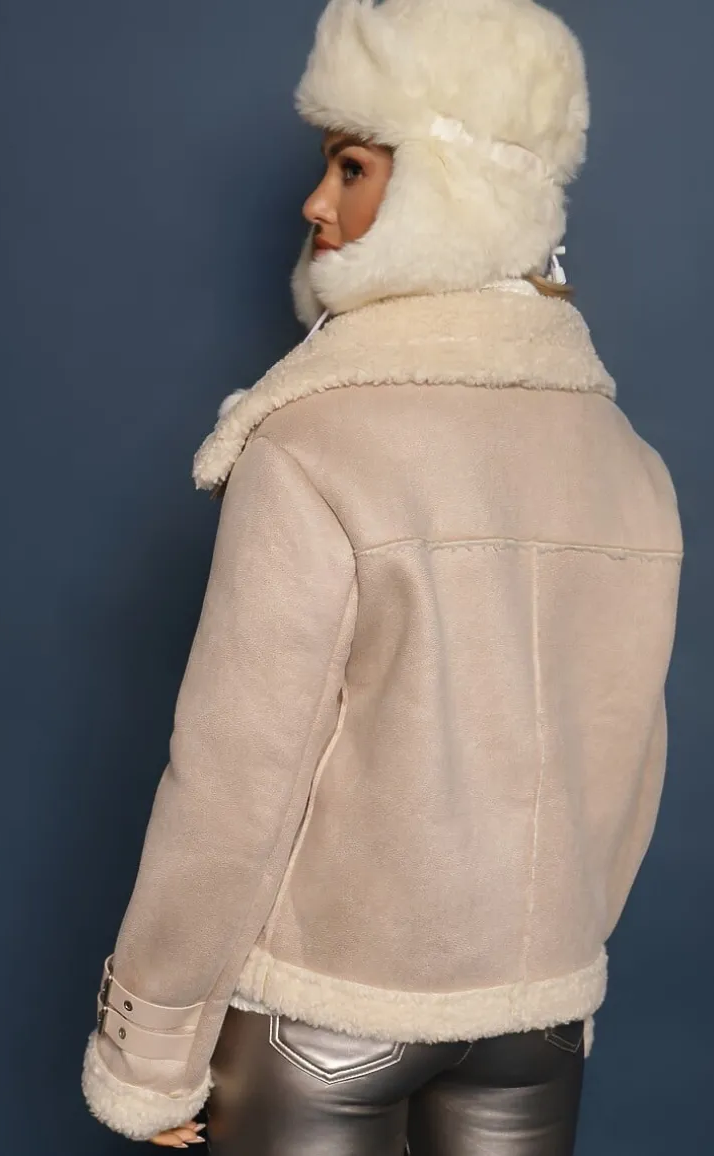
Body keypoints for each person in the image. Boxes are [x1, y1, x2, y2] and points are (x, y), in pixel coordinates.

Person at [81, 2, 683, 1153]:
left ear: (449, 185)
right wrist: (548, 963)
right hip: (534, 1021)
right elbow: (624, 769)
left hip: (326, 1014)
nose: (316, 203)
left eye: (352, 166)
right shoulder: (628, 464)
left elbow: (232, 784)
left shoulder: (313, 444)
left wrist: (149, 1048)